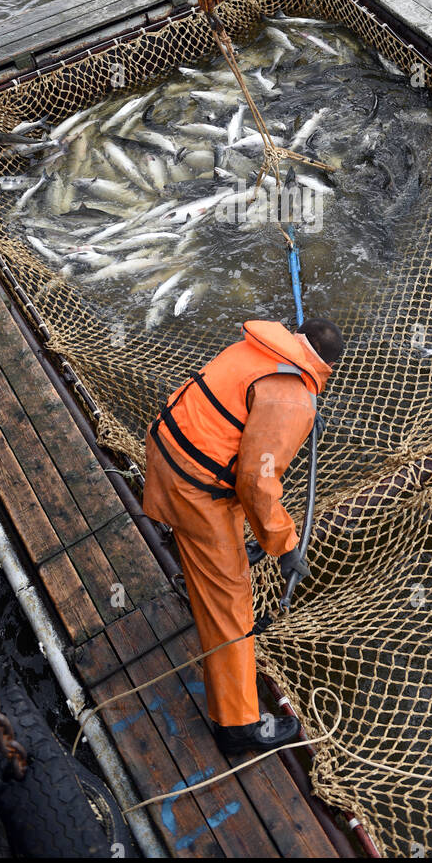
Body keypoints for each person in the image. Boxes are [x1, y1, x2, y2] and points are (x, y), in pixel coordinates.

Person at [143, 316, 344, 756]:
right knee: (232, 610)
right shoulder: (294, 399)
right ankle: (238, 725)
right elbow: (257, 480)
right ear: (328, 366)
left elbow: (241, 428)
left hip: (165, 454)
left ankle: (215, 561)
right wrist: (286, 546)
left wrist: (296, 415)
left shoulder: (261, 350)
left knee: (226, 529)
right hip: (194, 490)